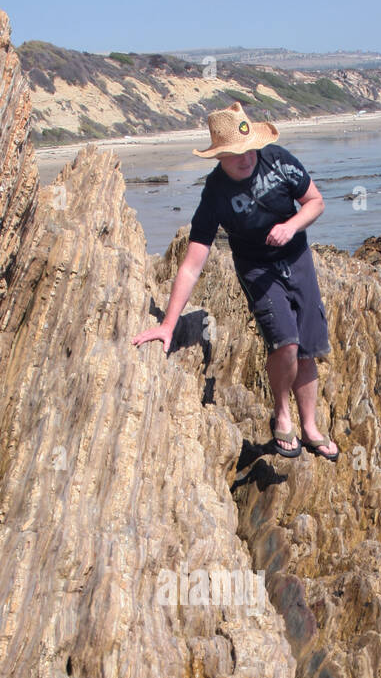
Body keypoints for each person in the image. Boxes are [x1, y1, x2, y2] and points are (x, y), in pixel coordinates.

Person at [132, 101, 339, 461]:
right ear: (218, 157)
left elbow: (316, 202)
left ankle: (310, 428)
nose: (246, 159)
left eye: (248, 150)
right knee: (286, 343)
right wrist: (168, 324)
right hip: (257, 269)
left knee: (308, 349)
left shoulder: (279, 160)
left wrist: (291, 227)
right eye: (234, 154)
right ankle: (282, 414)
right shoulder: (215, 195)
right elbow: (192, 264)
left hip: (298, 258)